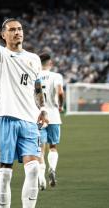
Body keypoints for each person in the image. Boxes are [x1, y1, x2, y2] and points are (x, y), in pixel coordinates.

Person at [0, 0, 48, 208]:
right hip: (6, 119)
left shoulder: (34, 59)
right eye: (12, 30)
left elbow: (37, 87)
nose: (17, 33)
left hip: (29, 120)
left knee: (32, 169)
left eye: (20, 29)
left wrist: (42, 108)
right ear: (3, 35)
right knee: (5, 173)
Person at [37, 53, 64, 190]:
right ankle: (52, 169)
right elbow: (60, 92)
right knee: (53, 147)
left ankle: (41, 179)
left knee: (40, 150)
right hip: (53, 115)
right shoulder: (57, 76)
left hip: (39, 116)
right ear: (50, 63)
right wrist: (60, 105)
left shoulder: (34, 76)